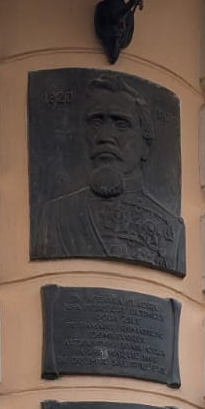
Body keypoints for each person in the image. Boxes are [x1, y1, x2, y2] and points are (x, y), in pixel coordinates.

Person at [36, 75, 185, 274]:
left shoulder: (171, 230)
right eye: (96, 122)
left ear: (145, 144)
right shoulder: (55, 216)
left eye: (121, 124)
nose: (105, 136)